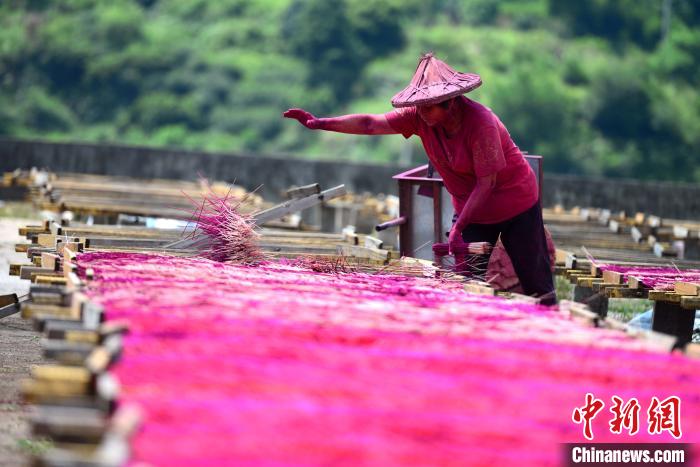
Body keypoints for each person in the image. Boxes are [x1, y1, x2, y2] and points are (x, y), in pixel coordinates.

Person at [284, 53, 556, 305]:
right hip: (472, 212)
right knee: (465, 284)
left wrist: (458, 226)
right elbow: (370, 123)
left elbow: (487, 183)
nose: (422, 114)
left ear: (450, 104)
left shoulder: (480, 123)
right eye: (419, 108)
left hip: (515, 204)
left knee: (537, 283)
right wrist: (321, 123)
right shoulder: (419, 117)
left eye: (429, 108)